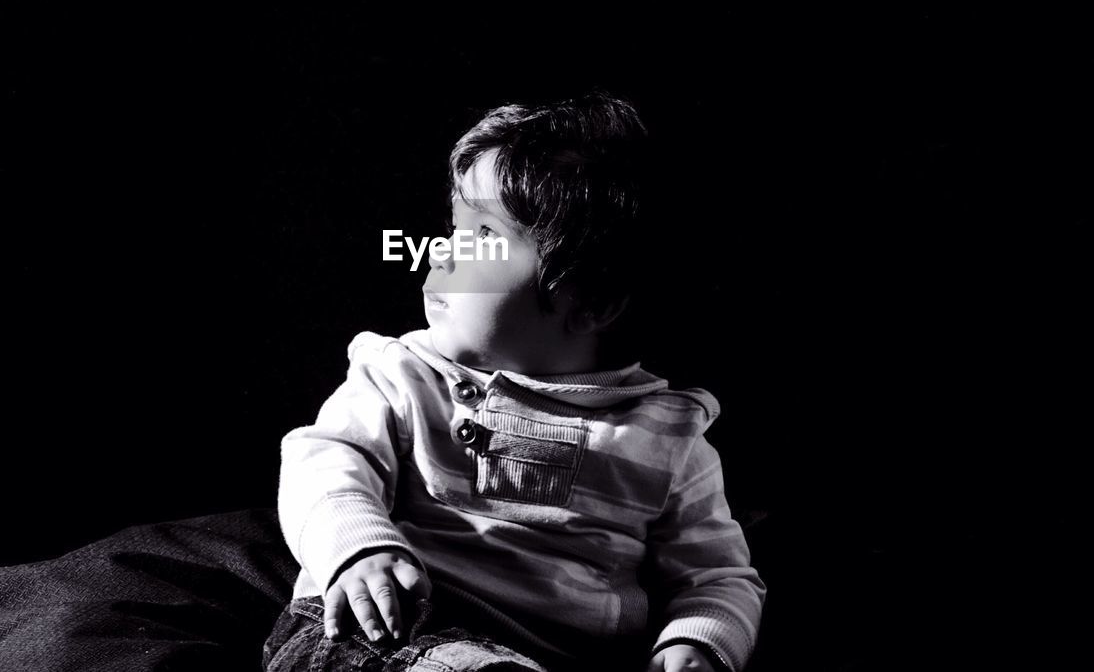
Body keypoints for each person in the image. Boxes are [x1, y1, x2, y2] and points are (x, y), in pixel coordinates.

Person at [264, 92, 764, 672]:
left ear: (593, 301)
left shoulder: (670, 440)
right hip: (387, 629)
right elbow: (323, 460)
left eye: (484, 235)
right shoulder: (402, 376)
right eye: (454, 227)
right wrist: (358, 547)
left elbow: (719, 578)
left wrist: (696, 644)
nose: (444, 252)